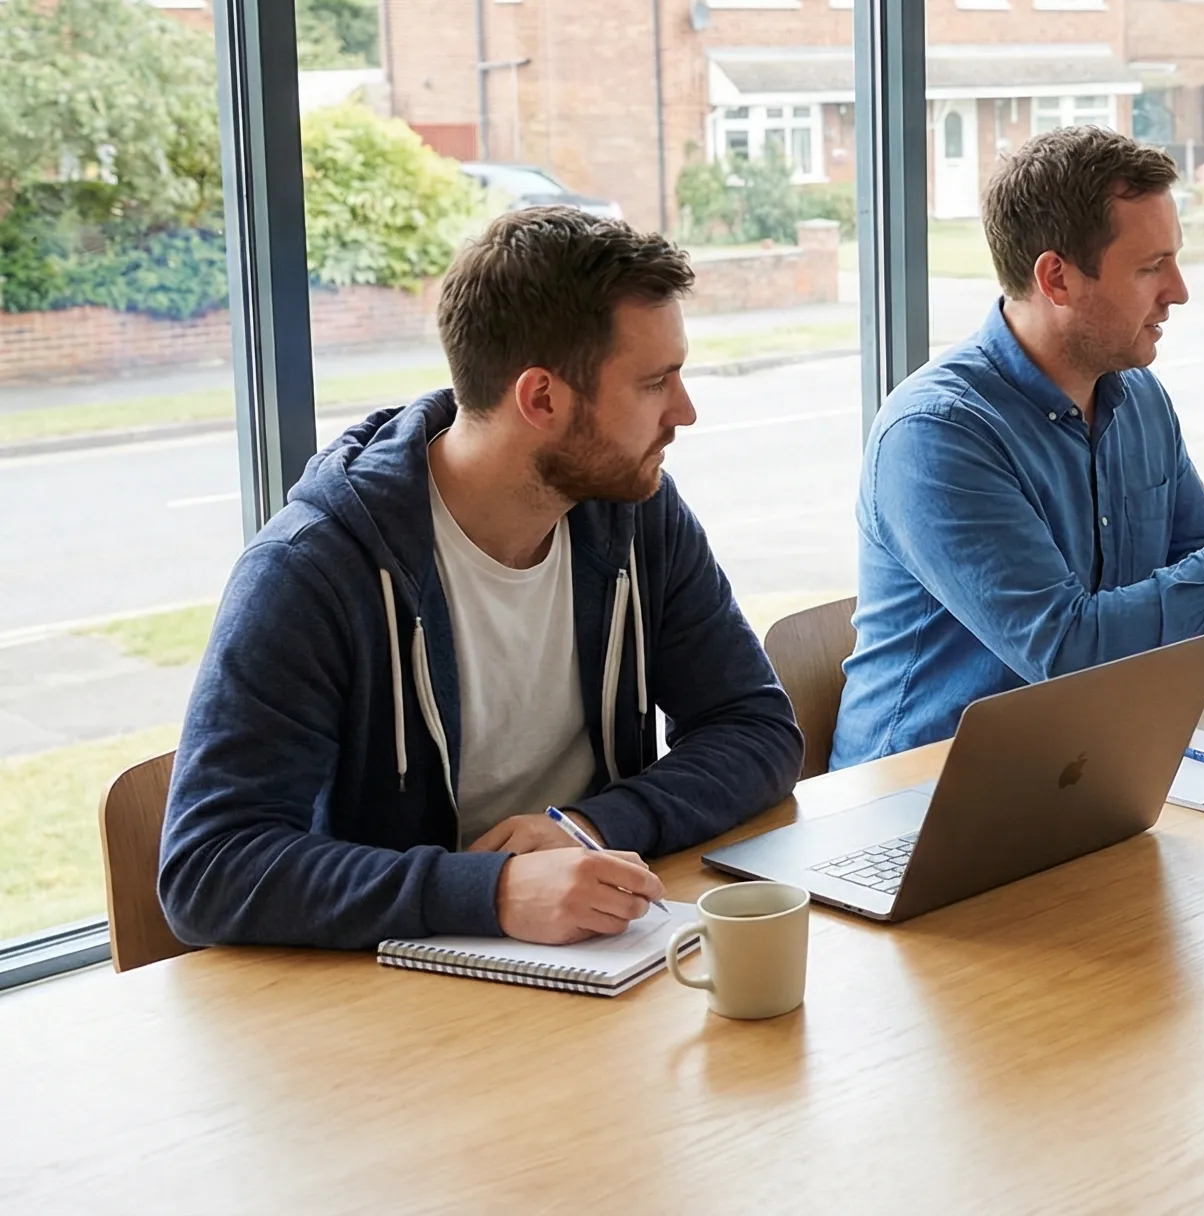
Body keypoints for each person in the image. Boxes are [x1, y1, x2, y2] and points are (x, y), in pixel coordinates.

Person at [159, 209, 804, 951]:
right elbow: (209, 867)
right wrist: (491, 891)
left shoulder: (637, 516)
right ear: (541, 399)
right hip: (396, 988)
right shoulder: (311, 571)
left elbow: (755, 728)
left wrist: (588, 828)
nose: (684, 412)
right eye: (655, 383)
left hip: (610, 949)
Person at [833, 128, 1204, 768]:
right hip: (920, 787)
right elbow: (1069, 652)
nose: (1178, 290)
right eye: (1150, 267)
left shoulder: (1137, 397)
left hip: (1085, 761)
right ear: (1057, 279)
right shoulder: (937, 433)